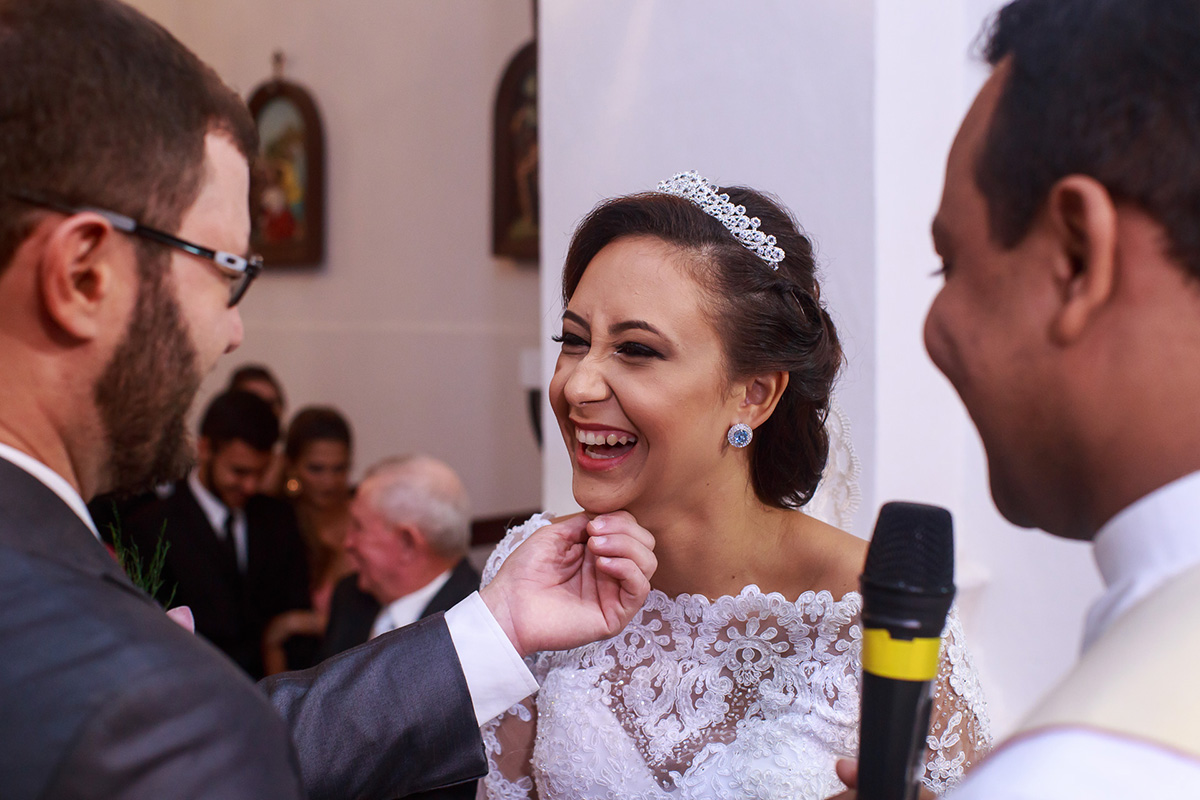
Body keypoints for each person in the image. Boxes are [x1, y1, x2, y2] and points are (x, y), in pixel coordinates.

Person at [0, 2, 656, 798]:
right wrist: (152, 685)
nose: (233, 331)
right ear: (83, 276)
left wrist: (498, 626)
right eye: (227, 272)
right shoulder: (125, 700)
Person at [479, 172, 991, 800]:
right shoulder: (536, 571)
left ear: (754, 395)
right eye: (574, 341)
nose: (579, 387)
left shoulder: (870, 611)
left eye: (636, 350)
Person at [124, 389, 311, 679]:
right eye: (238, 471)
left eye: (259, 474)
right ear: (205, 449)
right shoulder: (151, 527)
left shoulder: (278, 519)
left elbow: (295, 611)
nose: (250, 486)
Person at [322, 455, 482, 659]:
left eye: (358, 527)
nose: (348, 542)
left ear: (407, 543)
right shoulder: (349, 597)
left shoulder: (473, 621)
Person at [261, 405, 357, 673]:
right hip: (302, 671)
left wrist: (303, 622)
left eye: (339, 469)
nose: (329, 481)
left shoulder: (364, 516)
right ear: (291, 465)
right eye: (316, 469)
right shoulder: (281, 526)